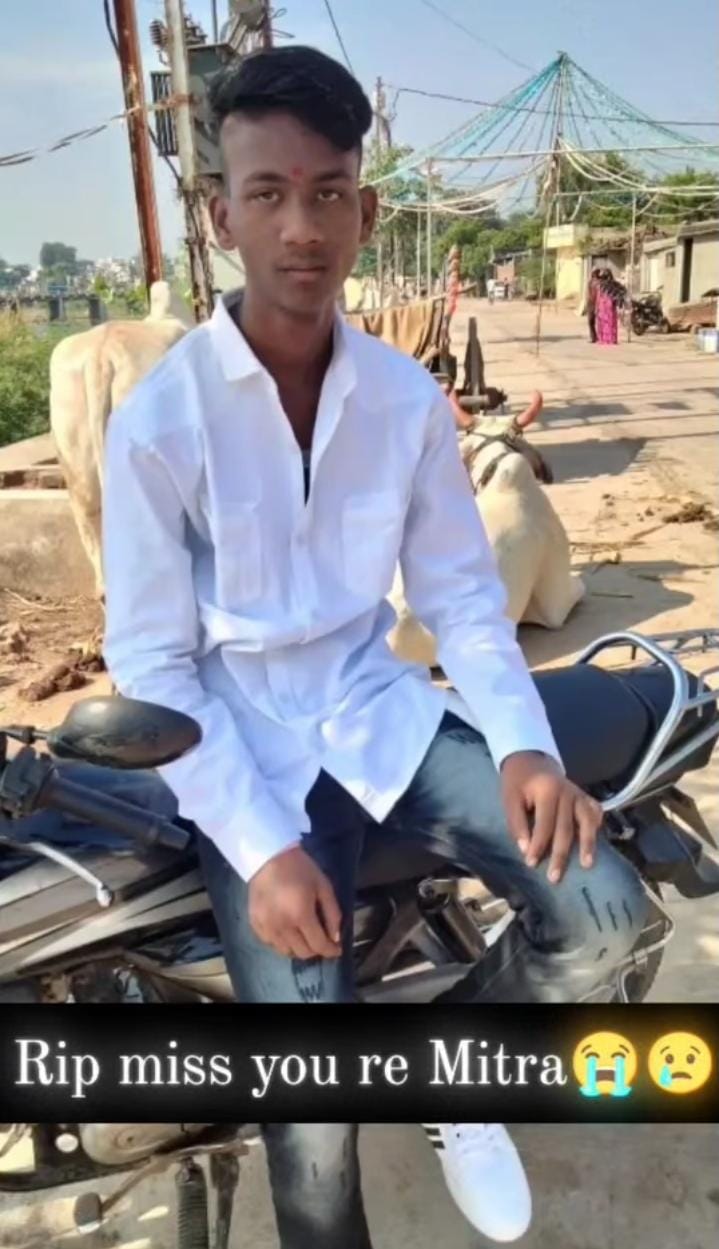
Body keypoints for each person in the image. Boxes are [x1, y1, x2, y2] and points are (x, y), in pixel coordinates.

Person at [101, 46, 647, 1249]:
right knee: (308, 1131)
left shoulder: (402, 401)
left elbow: (459, 598)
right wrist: (259, 848)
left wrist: (520, 745)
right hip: (244, 750)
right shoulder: (159, 425)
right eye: (267, 192)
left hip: (375, 713)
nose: (300, 226)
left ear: (364, 208)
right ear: (221, 215)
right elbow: (152, 665)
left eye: (328, 192)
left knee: (603, 910)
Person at [595, 268, 624, 346]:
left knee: (606, 322)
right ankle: (611, 339)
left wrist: (597, 306)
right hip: (608, 306)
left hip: (605, 306)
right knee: (610, 322)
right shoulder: (612, 284)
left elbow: (599, 296)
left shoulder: (601, 284)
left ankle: (606, 339)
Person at [586, 267, 601, 343]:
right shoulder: (590, 282)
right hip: (591, 303)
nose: (595, 273)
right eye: (594, 272)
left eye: (596, 272)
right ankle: (593, 337)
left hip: (598, 303)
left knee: (599, 321)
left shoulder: (600, 282)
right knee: (590, 321)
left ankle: (600, 336)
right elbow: (588, 292)